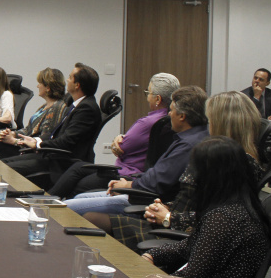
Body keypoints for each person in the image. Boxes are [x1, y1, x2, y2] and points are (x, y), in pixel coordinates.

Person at [94, 91, 264, 252]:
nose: (207, 128)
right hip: (172, 223)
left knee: (92, 221)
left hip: (182, 237)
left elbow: (215, 220)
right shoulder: (223, 157)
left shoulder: (232, 166)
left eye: (210, 121)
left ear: (222, 124)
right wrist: (164, 207)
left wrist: (169, 218)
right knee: (92, 221)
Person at [142, 136, 271, 278]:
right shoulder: (237, 206)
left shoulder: (224, 218)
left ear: (213, 175)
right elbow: (190, 245)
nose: (193, 177)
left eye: (197, 170)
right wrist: (153, 254)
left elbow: (193, 276)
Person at [64, 86, 209, 215]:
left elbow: (158, 181)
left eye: (171, 111)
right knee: (78, 198)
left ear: (182, 116)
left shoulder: (187, 145)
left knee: (67, 209)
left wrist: (127, 185)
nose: (169, 114)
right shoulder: (194, 136)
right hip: (140, 187)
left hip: (147, 200)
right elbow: (157, 174)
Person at [47, 73, 180, 198]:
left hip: (125, 174)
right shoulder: (168, 121)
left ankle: (49, 201)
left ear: (157, 99)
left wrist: (118, 139)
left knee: (79, 180)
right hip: (137, 173)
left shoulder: (148, 122)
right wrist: (120, 137)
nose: (147, 96)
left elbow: (121, 148)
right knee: (78, 168)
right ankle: (49, 199)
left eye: (148, 93)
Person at [4, 63, 102, 182]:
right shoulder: (76, 104)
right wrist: (36, 141)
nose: (67, 80)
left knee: (5, 168)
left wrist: (37, 144)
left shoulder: (87, 109)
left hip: (62, 162)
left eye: (70, 77)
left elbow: (66, 141)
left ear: (77, 85)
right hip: (53, 155)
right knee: (2, 164)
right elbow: (56, 134)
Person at [0, 68, 66, 159]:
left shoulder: (57, 108)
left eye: (40, 83)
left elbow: (42, 139)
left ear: (48, 88)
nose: (38, 86)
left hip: (28, 150)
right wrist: (12, 134)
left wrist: (14, 140)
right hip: (22, 142)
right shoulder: (44, 106)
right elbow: (27, 129)